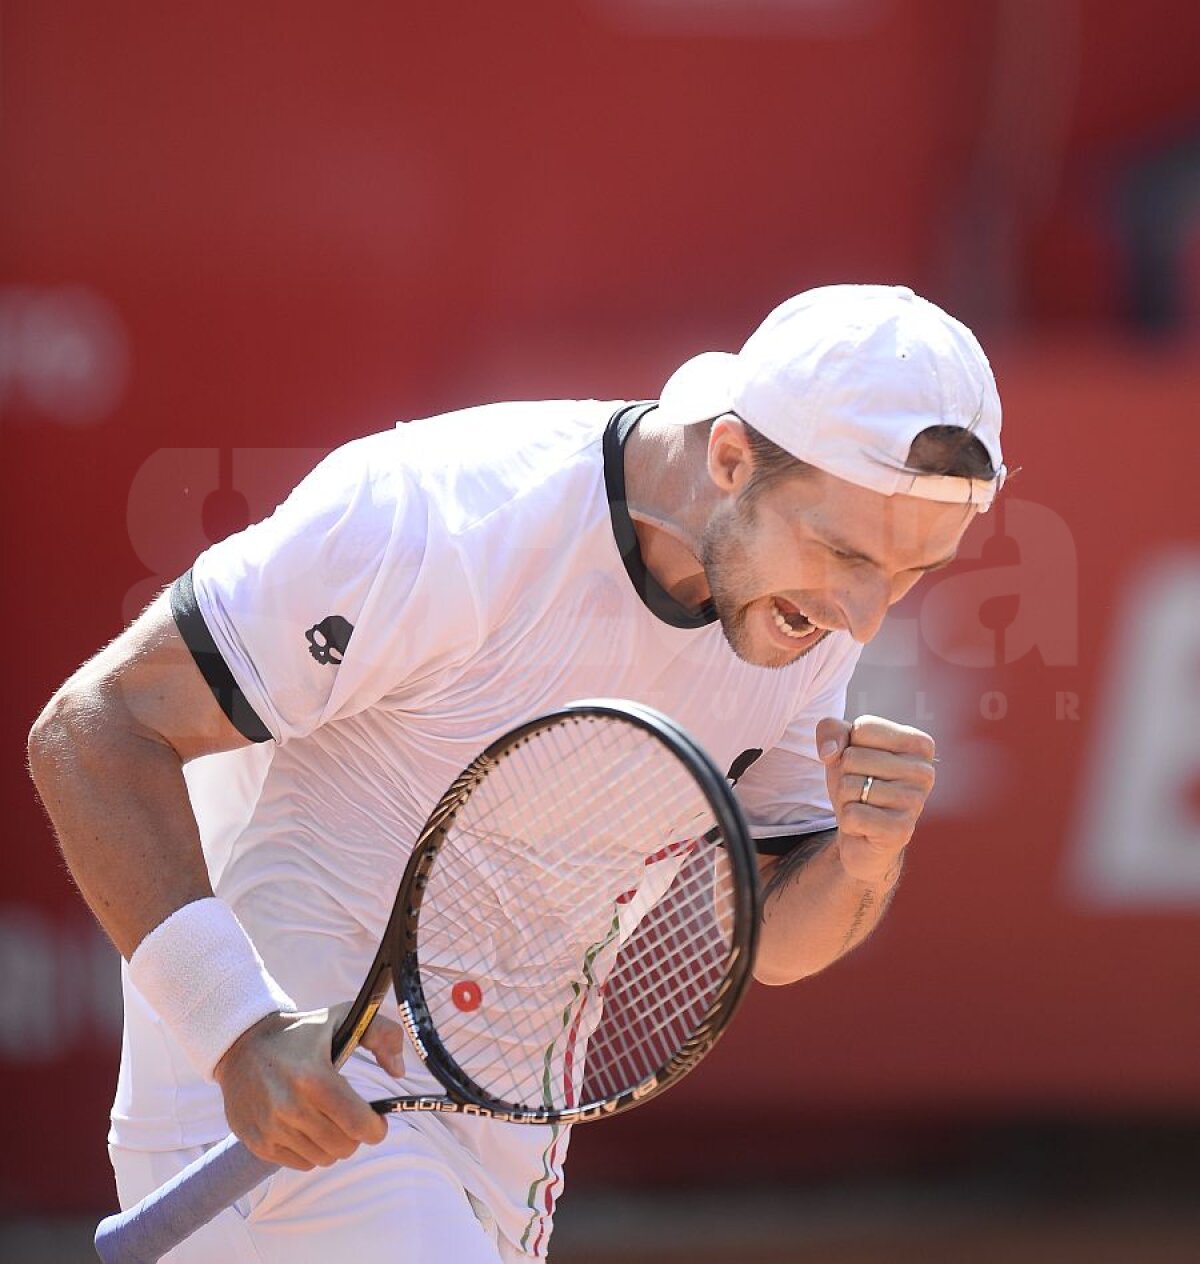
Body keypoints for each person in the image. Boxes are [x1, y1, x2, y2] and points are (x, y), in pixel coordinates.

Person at [28, 283, 1005, 1263]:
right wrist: (240, 1034)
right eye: (843, 553)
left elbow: (776, 938)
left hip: (497, 1147)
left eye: (909, 573)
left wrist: (864, 861)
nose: (865, 615)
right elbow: (95, 729)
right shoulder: (443, 514)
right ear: (729, 457)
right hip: (281, 1089)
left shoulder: (801, 613)